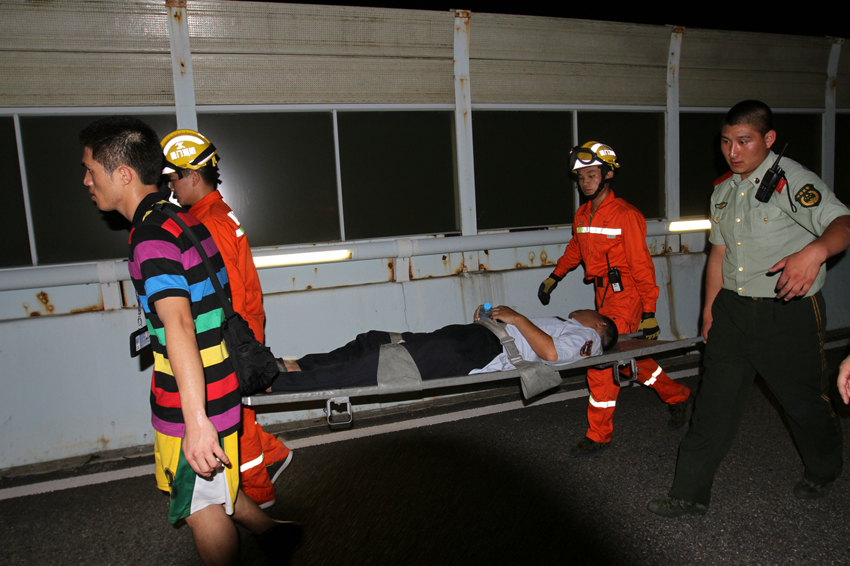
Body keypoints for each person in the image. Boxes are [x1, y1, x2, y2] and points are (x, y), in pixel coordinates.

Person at [80, 117, 300, 565]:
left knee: (200, 507)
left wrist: (196, 420)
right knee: (211, 485)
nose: (86, 181)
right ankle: (272, 534)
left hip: (195, 394)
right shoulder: (179, 219)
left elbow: (179, 324)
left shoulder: (151, 236)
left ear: (122, 173)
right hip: (210, 380)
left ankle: (268, 533)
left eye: (91, 170)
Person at [648, 100, 850, 518]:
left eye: (744, 141)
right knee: (712, 405)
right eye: (726, 142)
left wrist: (815, 251)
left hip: (787, 312)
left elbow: (842, 223)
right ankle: (689, 492)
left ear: (768, 139)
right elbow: (718, 255)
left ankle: (824, 468)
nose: (733, 151)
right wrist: (709, 309)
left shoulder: (792, 179)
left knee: (803, 403)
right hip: (732, 313)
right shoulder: (724, 190)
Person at [161, 129, 292, 510]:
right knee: (241, 410)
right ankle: (274, 455)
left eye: (173, 180)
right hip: (243, 327)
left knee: (235, 421)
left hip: (231, 333)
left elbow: (225, 295)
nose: (172, 189)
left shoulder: (211, 223)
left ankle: (260, 496)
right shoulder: (214, 213)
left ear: (192, 176)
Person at [537, 142, 690, 455]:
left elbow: (641, 265)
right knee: (628, 361)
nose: (585, 182)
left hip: (628, 295)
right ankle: (678, 396)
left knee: (599, 359)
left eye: (591, 175)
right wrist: (556, 275)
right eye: (580, 177)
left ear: (607, 174)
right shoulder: (583, 213)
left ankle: (598, 434)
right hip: (603, 295)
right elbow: (576, 248)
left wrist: (649, 310)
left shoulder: (626, 215)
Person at [271, 306, 617, 392]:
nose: (584, 308)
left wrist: (516, 317)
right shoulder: (570, 324)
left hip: (480, 351)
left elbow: (552, 355)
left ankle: (278, 383)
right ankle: (297, 366)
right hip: (475, 338)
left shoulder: (588, 338)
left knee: (384, 364)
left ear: (600, 323)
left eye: (592, 310)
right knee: (375, 340)